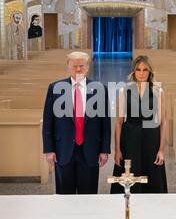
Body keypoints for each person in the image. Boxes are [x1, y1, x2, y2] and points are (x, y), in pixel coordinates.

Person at [43, 52, 111, 194]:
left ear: (87, 67)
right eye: (75, 66)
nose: (78, 70)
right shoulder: (55, 88)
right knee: (64, 194)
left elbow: (105, 122)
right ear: (68, 66)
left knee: (89, 194)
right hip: (64, 149)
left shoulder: (99, 89)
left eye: (82, 66)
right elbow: (48, 122)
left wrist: (104, 150)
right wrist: (49, 149)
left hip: (90, 149)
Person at [111, 56, 168, 194]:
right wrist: (117, 150)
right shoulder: (124, 91)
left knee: (151, 176)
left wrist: (161, 149)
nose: (141, 73)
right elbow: (118, 123)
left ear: (150, 72)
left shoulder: (158, 91)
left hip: (151, 138)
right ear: (133, 72)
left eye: (145, 70)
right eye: (138, 70)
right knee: (130, 175)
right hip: (130, 138)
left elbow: (163, 121)